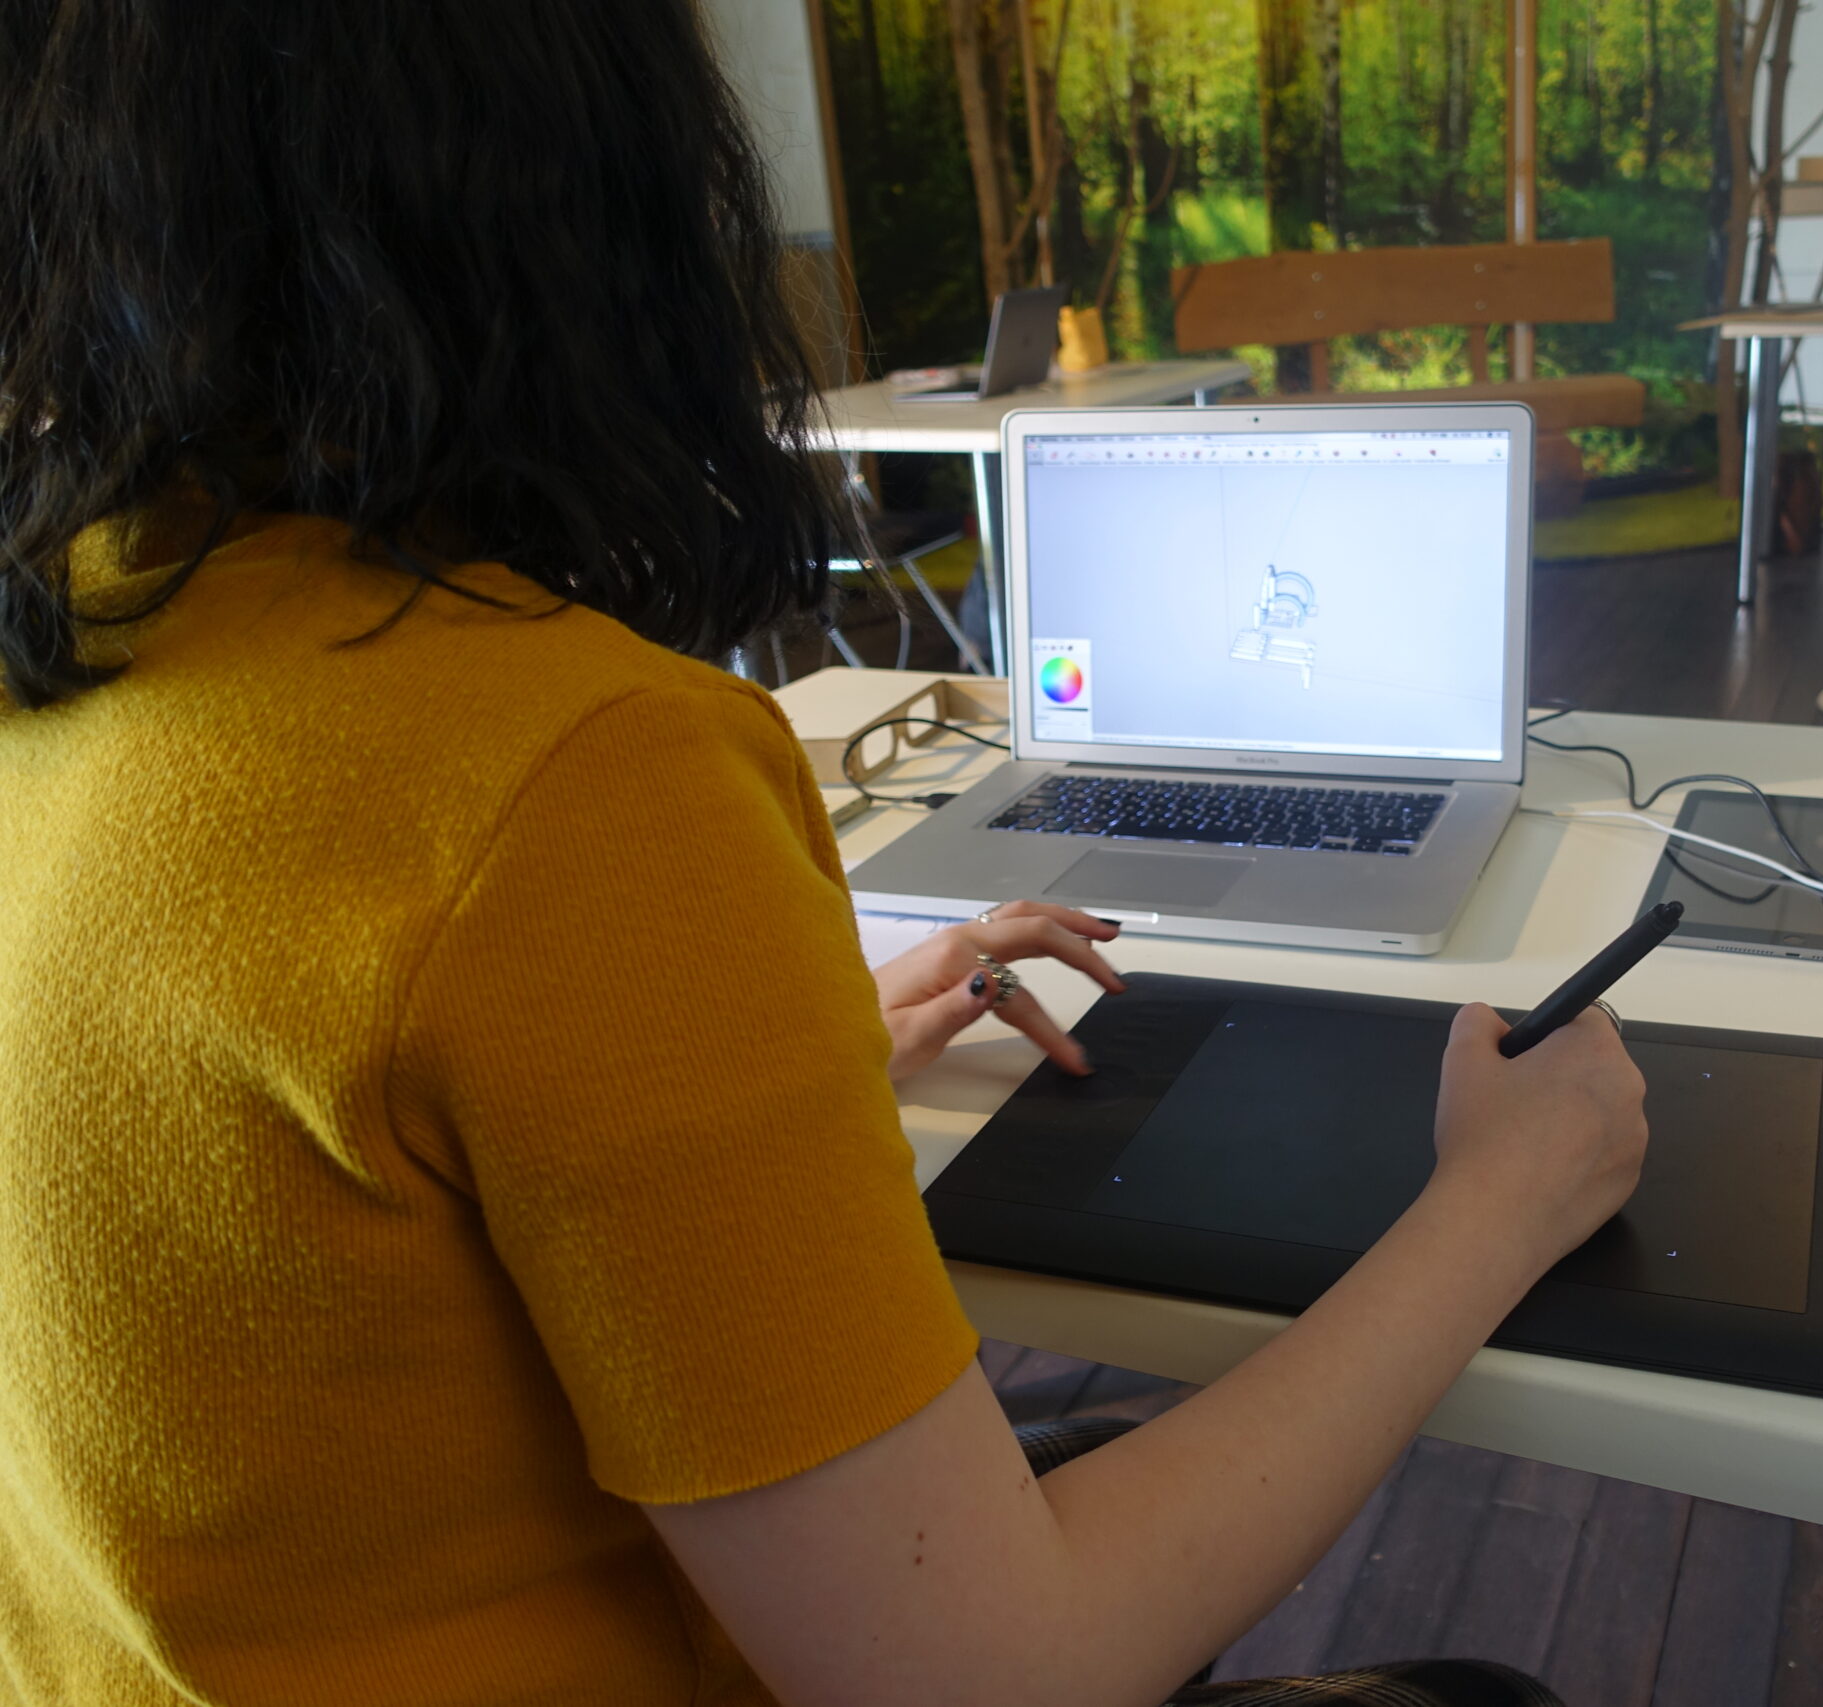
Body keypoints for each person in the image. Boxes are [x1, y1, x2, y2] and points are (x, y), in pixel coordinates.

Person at [0, 4, 1652, 1705]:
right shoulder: (570, 779)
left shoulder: (63, 647)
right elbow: (1001, 1682)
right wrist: (1503, 1201)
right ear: (607, 211)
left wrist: (788, 1057)